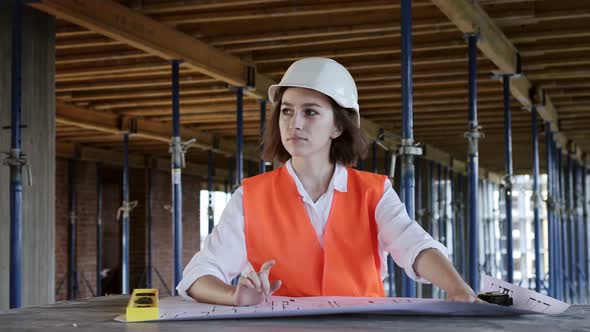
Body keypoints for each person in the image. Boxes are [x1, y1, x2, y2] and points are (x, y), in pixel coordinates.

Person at [176, 57, 480, 306]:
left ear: (337, 126)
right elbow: (197, 276)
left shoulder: (374, 193)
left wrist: (457, 288)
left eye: (310, 112)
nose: (294, 123)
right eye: (287, 111)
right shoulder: (250, 197)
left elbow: (414, 245)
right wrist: (234, 296)